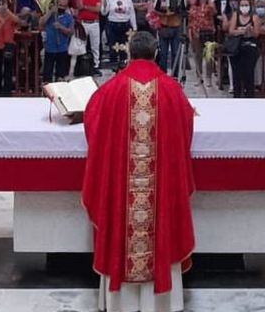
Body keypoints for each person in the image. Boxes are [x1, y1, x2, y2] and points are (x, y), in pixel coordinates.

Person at [82, 32, 195, 312]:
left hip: (123, 188)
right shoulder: (171, 90)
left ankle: (121, 302)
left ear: (130, 54)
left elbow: (93, 125)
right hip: (160, 191)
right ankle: (161, 302)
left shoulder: (110, 90)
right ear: (156, 54)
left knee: (120, 214)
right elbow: (185, 130)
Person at [227, 0, 261, 98]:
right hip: (237, 47)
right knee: (236, 74)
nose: (244, 7)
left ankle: (249, 96)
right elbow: (231, 31)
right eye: (242, 5)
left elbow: (256, 34)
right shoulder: (235, 15)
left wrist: (250, 30)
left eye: (246, 5)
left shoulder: (254, 17)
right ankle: (237, 95)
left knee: (249, 74)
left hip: (250, 47)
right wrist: (241, 31)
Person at [0, 0, 21, 95]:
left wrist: (8, 11)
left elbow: (18, 21)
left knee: (8, 70)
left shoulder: (10, 17)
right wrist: (1, 24)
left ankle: (7, 91)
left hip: (8, 45)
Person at [42, 0, 75, 83]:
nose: (62, 8)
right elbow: (41, 23)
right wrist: (51, 12)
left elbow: (71, 32)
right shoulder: (50, 15)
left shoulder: (68, 17)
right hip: (50, 48)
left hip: (62, 49)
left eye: (64, 6)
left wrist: (61, 27)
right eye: (60, 5)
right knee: (47, 74)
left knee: (60, 76)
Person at [103, 0, 137, 64]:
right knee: (113, 46)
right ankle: (113, 64)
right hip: (112, 25)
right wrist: (104, 5)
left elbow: (132, 13)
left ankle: (123, 63)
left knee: (124, 47)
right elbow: (104, 13)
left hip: (125, 25)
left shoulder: (128, 0)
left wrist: (134, 27)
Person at [77, 0, 103, 72]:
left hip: (94, 23)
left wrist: (86, 7)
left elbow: (97, 9)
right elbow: (79, 6)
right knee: (81, 44)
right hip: (83, 23)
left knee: (95, 46)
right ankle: (81, 65)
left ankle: (96, 65)